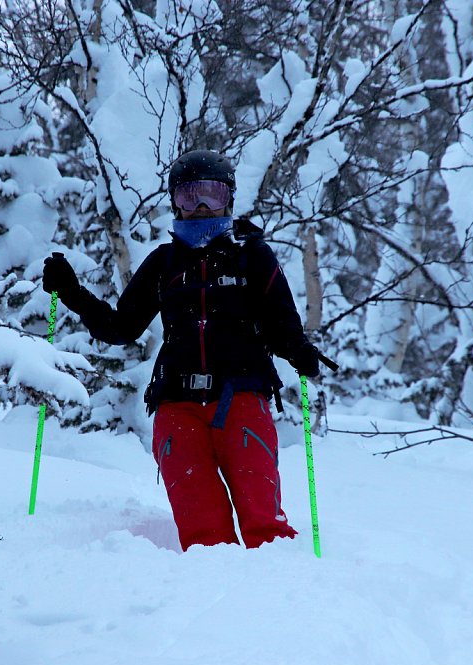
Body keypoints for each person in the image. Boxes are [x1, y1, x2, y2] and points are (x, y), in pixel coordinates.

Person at [42, 150, 323, 551]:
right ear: (175, 201)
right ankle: (210, 598)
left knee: (264, 524)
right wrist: (71, 293)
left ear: (229, 199)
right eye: (191, 196)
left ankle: (285, 596)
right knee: (203, 532)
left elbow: (283, 325)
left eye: (213, 194)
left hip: (241, 397)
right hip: (177, 406)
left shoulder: (253, 258)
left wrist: (300, 353)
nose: (202, 207)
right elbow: (121, 328)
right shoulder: (164, 263)